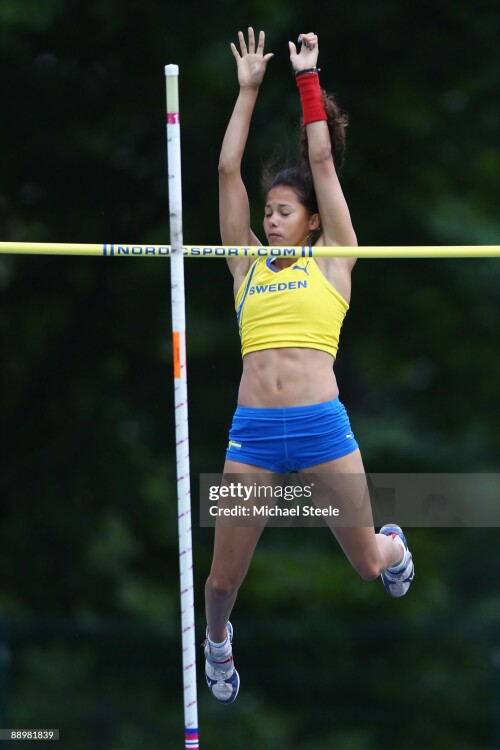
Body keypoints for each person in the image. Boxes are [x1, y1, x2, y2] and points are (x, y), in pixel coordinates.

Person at [203, 28, 414, 705]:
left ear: (314, 223)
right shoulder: (244, 267)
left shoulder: (336, 261)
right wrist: (246, 91)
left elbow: (321, 161)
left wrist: (307, 81)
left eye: (283, 211)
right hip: (255, 437)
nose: (270, 220)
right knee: (219, 586)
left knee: (364, 565)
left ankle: (395, 548)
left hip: (322, 429)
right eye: (267, 212)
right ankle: (216, 647)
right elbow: (226, 173)